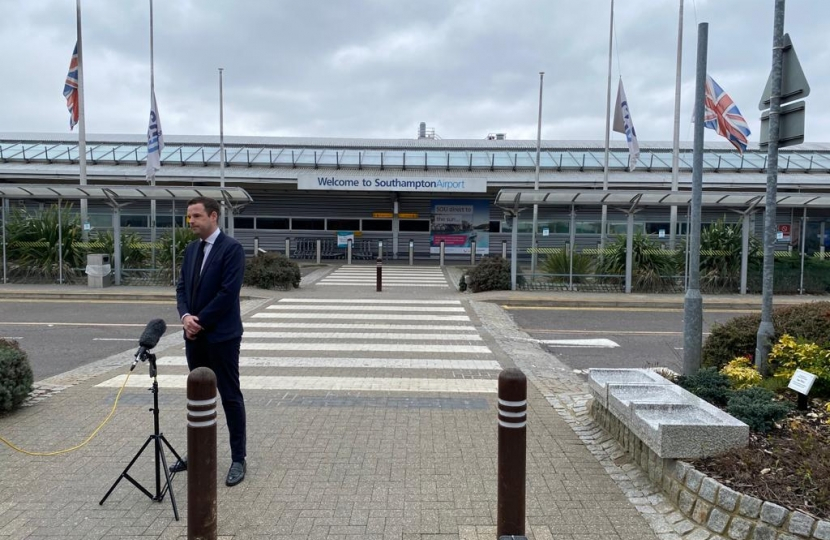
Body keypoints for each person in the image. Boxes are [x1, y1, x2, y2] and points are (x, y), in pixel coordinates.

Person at [172, 196, 247, 486]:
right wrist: (185, 316)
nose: (191, 221)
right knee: (199, 397)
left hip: (222, 337)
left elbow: (228, 294)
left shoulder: (232, 249)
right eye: (189, 217)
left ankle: (238, 458)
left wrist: (199, 322)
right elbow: (181, 287)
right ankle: (199, 452)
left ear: (213, 217)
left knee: (229, 396)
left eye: (196, 216)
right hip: (194, 337)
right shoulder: (191, 250)